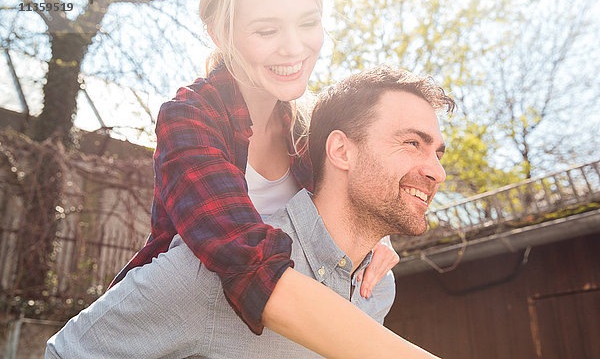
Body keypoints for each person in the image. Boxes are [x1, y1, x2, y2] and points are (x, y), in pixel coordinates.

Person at [47, 0, 412, 358]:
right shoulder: (190, 115)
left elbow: (338, 210)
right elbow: (246, 261)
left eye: (308, 22)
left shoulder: (312, 128)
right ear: (220, 33)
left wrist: (373, 233)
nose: (294, 46)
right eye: (267, 30)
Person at [46, 65, 454, 358]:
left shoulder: (377, 287)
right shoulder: (210, 272)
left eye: (437, 152)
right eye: (411, 144)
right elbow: (71, 351)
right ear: (342, 151)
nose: (436, 171)